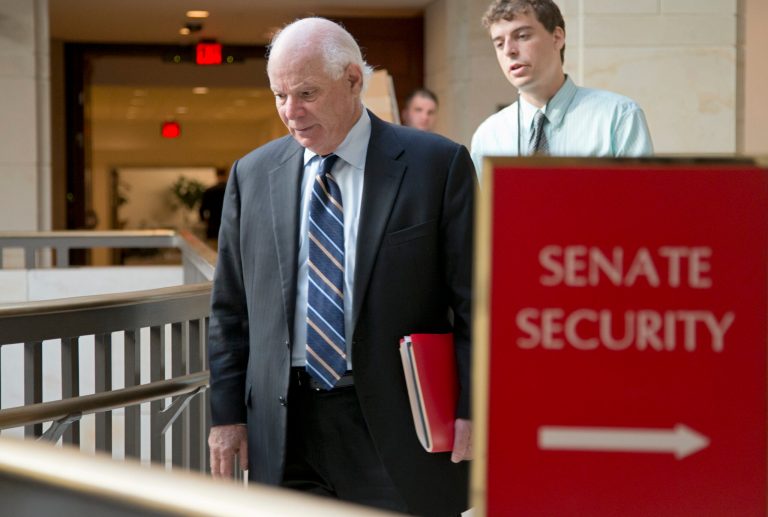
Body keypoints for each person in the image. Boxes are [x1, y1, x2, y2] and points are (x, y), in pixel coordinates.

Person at [206, 17, 475, 517]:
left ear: (354, 80)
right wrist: (226, 417)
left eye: (306, 92)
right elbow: (230, 309)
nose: (291, 112)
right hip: (285, 431)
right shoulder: (253, 173)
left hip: (396, 426)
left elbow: (477, 302)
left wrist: (473, 409)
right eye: (279, 95)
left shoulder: (436, 165)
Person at [471, 0, 653, 174]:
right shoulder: (487, 136)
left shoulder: (618, 117)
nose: (509, 50)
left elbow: (643, 200)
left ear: (557, 37)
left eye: (522, 36)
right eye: (499, 43)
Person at [198, 168, 228, 240]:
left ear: (217, 175)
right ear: (226, 175)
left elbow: (202, 209)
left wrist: (205, 220)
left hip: (213, 224)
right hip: (228, 224)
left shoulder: (209, 191)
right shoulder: (231, 190)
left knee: (213, 248)